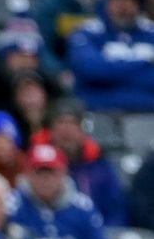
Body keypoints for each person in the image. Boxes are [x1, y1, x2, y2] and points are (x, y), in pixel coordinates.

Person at [11, 143, 113, 239]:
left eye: (51, 173)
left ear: (63, 174)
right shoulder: (12, 205)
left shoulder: (83, 208)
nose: (45, 180)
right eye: (38, 173)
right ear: (28, 174)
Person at [33, 98, 126, 229]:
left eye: (72, 123)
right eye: (61, 122)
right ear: (51, 130)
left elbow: (115, 211)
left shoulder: (99, 165)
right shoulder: (37, 164)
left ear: (82, 130)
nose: (66, 130)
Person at [66, 0, 154, 112]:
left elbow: (100, 71)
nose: (123, 6)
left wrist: (110, 74)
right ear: (106, 2)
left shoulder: (150, 32)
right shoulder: (86, 32)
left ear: (139, 4)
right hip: (98, 114)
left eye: (130, 0)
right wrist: (145, 63)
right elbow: (90, 70)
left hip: (149, 114)